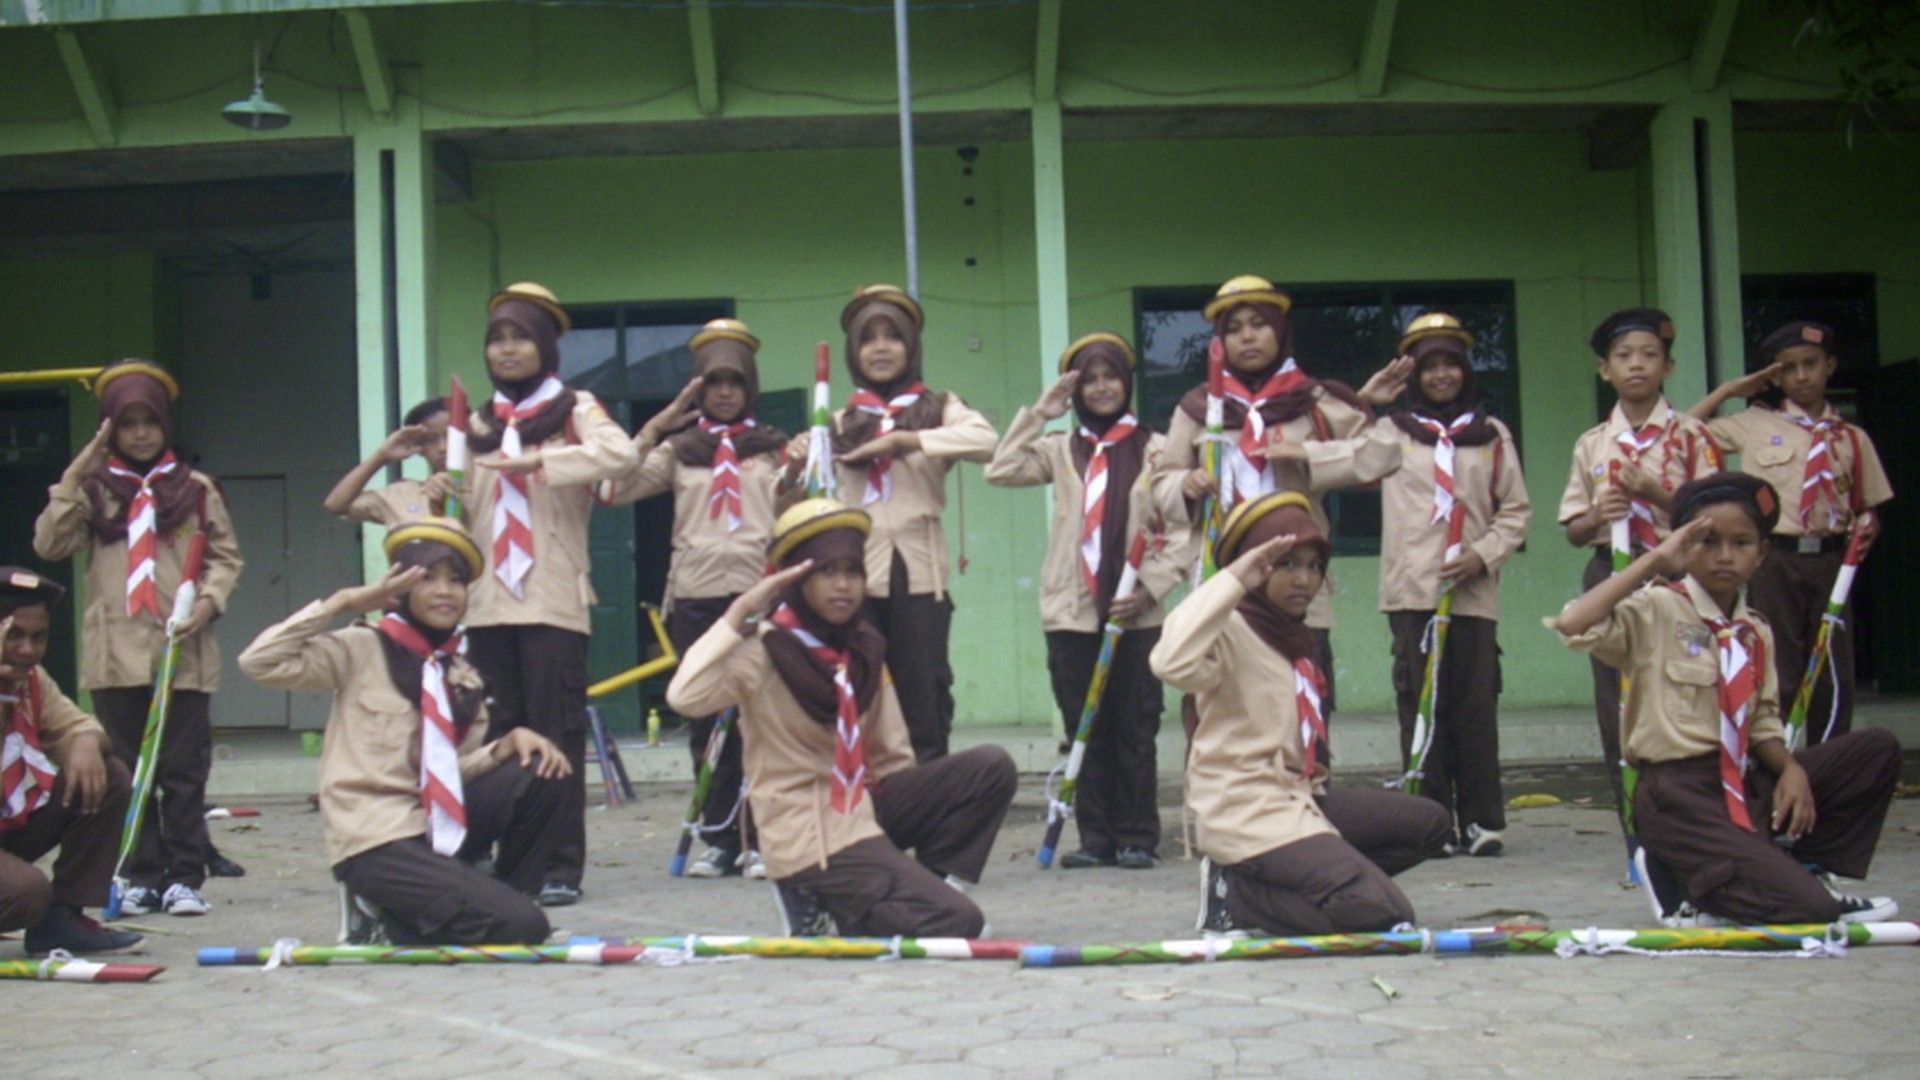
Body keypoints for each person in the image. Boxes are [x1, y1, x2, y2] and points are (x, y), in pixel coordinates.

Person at [1549, 473, 1900, 926]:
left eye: (1741, 543)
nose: (1724, 557)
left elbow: (1763, 726)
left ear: (1762, 554)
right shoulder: (1657, 608)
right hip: (1680, 794)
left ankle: (1798, 868)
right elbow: (1574, 623)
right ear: (1683, 545)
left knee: (1874, 751)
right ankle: (1691, 881)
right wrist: (1656, 558)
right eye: (1708, 542)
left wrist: (1792, 769)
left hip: (1742, 781)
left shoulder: (1755, 630)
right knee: (1813, 911)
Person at [666, 499, 1017, 938]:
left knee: (989, 767)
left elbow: (892, 753)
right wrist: (737, 615)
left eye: (853, 572)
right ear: (795, 580)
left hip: (859, 806)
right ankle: (818, 896)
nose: (844, 586)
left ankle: (914, 886)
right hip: (805, 827)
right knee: (961, 921)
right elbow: (684, 695)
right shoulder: (765, 651)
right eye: (827, 573)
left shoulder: (863, 647)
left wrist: (890, 840)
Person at [239, 519, 573, 944]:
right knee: (525, 928)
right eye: (428, 579)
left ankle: (498, 899)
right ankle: (383, 917)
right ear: (400, 588)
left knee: (542, 767)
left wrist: (504, 747)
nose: (444, 592)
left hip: (435, 822)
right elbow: (259, 662)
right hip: (376, 835)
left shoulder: (462, 673)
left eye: (456, 581)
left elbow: (450, 772)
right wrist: (342, 601)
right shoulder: (361, 648)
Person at [1153, 492, 1451, 937]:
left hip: (1300, 799)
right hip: (1246, 808)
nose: (1304, 580)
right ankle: (1239, 900)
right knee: (1380, 911)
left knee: (1430, 825)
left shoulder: (1295, 636)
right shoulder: (1227, 628)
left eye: (1314, 566)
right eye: (1287, 564)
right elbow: (1168, 660)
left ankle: (1272, 884)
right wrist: (1233, 577)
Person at [32, 359, 244, 918]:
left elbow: (225, 557)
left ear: (166, 424)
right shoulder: (96, 492)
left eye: (150, 421)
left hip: (183, 650)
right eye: (127, 424)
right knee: (128, 769)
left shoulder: (195, 490)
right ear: (110, 429)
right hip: (116, 653)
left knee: (181, 769)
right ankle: (139, 873)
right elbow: (50, 545)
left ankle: (183, 875)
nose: (142, 434)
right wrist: (77, 471)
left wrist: (207, 602)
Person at [1319, 314, 1532, 855]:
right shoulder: (1394, 432)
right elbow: (1334, 455)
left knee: (1474, 706)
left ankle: (1482, 821)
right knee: (1420, 705)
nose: (1441, 376)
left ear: (1465, 372)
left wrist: (1482, 557)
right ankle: (1430, 822)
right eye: (1430, 366)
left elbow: (1516, 511)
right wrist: (1363, 401)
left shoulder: (1492, 436)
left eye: (1450, 366)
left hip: (1473, 594)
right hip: (1412, 592)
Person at [461, 282, 640, 906]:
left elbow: (621, 455)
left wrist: (542, 464)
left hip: (552, 597)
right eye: (497, 340)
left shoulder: (574, 408)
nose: (508, 351)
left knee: (556, 729)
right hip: (484, 601)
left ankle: (560, 864)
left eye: (520, 338)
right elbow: (464, 500)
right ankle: (497, 851)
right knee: (492, 729)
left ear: (544, 347)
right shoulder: (479, 422)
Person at [1153, 274, 1409, 709]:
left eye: (1259, 324)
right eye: (1233, 329)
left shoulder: (1312, 400)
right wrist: (1186, 484)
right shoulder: (1198, 408)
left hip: (1297, 573)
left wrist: (1308, 454)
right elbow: (1157, 489)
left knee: (1302, 700)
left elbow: (1383, 454)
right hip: (1223, 574)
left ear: (1281, 330)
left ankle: (1306, 779)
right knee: (1222, 703)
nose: (1247, 337)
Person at [984, 331, 1188, 869]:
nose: (1101, 388)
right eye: (1089, 380)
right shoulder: (1059, 449)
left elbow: (1184, 530)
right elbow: (999, 469)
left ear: (1128, 382)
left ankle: (1138, 838)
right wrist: (1039, 412)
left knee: (1135, 725)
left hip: (1135, 610)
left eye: (1111, 376)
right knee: (1084, 727)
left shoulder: (1157, 448)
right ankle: (1095, 838)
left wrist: (1151, 588)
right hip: (1071, 612)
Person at [604, 317, 792, 879]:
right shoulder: (680, 451)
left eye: (735, 381)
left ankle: (762, 836)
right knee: (709, 719)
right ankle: (720, 840)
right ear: (698, 389)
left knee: (764, 720)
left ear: (750, 385)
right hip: (696, 598)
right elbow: (613, 488)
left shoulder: (776, 448)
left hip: (759, 595)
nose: (726, 392)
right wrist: (655, 427)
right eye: (714, 383)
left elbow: (804, 503)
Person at [808, 284, 998, 762]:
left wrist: (905, 442)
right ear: (854, 350)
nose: (881, 348)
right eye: (868, 338)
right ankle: (869, 807)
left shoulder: (937, 407)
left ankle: (930, 802)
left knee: (924, 692)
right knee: (861, 689)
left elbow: (986, 441)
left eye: (892, 336)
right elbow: (800, 489)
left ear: (911, 346)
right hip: (853, 574)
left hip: (919, 573)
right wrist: (798, 459)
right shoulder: (837, 420)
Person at [1555, 309, 1722, 851]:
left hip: (1681, 578)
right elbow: (1574, 531)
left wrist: (1655, 492)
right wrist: (1600, 513)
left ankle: (1696, 831)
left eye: (1648, 355)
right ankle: (1637, 837)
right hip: (1614, 576)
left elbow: (1720, 522)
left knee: (1690, 696)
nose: (1636, 365)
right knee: (1618, 707)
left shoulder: (1695, 438)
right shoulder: (1592, 443)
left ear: (1668, 366)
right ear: (1605, 370)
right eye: (1624, 357)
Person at [1687, 321, 1893, 744]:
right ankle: (1774, 765)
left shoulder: (1851, 438)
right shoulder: (1752, 423)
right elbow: (1679, 432)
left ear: (1829, 366)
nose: (1801, 376)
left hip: (1833, 562)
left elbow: (1868, 506)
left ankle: (1826, 768)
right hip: (1773, 561)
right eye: (1788, 367)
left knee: (1832, 674)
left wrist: (1870, 521)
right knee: (1776, 669)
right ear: (1774, 375)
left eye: (1810, 364)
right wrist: (1728, 392)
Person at [0, 569, 144, 955]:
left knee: (109, 773)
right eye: (14, 635)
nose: (28, 650)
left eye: (38, 637)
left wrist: (82, 741)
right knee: (27, 892)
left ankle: (61, 921)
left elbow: (78, 725)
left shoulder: (32, 679)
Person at [323, 397, 458, 526]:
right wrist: (381, 456)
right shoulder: (402, 495)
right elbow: (335, 504)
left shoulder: (479, 491)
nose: (443, 447)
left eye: (452, 436)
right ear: (419, 447)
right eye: (431, 439)